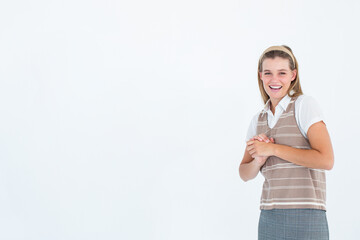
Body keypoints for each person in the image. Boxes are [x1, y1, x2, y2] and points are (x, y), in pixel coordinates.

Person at [239, 45, 334, 240]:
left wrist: (273, 148)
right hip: (269, 216)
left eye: (282, 73)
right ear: (260, 76)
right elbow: (244, 173)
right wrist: (259, 160)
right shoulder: (258, 119)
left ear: (293, 75)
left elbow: (326, 160)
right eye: (268, 73)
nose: (274, 80)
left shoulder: (304, 105)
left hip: (307, 215)